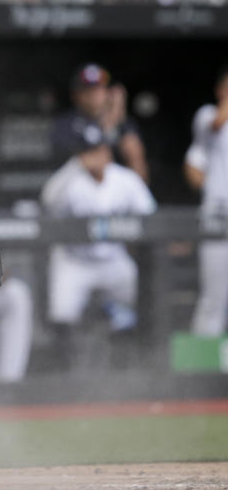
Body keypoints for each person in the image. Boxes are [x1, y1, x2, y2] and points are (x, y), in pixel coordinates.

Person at [41, 122, 156, 368]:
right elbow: (48, 201)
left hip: (113, 259)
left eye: (100, 149)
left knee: (142, 295)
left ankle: (138, 365)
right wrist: (75, 166)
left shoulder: (124, 179)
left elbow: (150, 215)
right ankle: (65, 374)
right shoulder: (70, 179)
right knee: (62, 312)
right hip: (75, 260)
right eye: (88, 150)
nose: (96, 155)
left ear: (108, 150)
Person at [184, 66, 228, 337]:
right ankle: (201, 368)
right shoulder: (207, 114)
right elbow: (217, 122)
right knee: (213, 294)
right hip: (218, 212)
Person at [52, 63, 149, 181]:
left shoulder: (123, 123)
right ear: (75, 94)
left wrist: (115, 119)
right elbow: (93, 161)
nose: (94, 94)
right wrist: (109, 123)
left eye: (99, 88)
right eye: (87, 89)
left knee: (131, 146)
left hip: (114, 187)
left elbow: (139, 168)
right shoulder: (66, 124)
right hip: (78, 185)